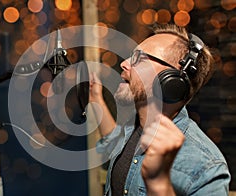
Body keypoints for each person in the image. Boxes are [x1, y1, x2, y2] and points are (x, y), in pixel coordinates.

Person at [89, 24, 231, 195]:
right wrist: (95, 99)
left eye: (139, 59)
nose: (124, 64)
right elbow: (113, 143)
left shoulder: (206, 167)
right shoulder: (134, 128)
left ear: (172, 81)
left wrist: (159, 183)